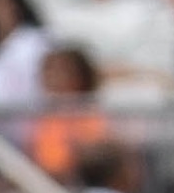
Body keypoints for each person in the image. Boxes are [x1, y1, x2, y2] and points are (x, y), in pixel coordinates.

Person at [28, 47, 112, 183]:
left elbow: (92, 162)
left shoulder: (90, 115)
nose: (52, 77)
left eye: (60, 71)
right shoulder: (43, 117)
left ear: (80, 76)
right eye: (48, 70)